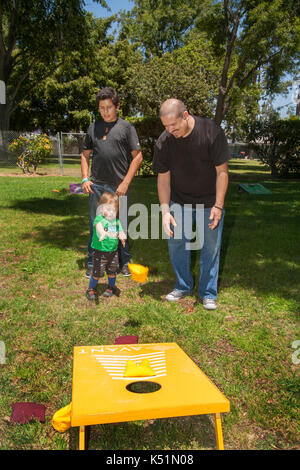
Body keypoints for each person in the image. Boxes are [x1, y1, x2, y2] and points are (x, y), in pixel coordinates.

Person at [152, 99, 230, 310]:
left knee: (210, 247)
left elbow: (222, 172)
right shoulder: (164, 141)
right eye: (165, 126)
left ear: (185, 115)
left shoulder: (211, 132)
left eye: (173, 125)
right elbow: (163, 179)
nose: (170, 131)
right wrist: (165, 210)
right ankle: (183, 285)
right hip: (179, 201)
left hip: (209, 202)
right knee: (176, 244)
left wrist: (219, 205)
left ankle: (207, 293)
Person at [81, 87, 143, 278]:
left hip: (119, 187)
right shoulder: (93, 128)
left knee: (120, 225)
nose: (105, 111)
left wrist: (125, 182)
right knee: (96, 224)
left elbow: (138, 157)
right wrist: (85, 179)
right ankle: (93, 262)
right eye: (101, 108)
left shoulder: (126, 128)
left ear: (117, 106)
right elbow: (84, 155)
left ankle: (124, 262)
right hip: (97, 186)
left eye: (109, 107)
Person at [86, 192, 127, 300]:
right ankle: (91, 289)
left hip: (113, 253)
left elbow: (121, 231)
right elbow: (98, 226)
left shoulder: (117, 222)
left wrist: (122, 236)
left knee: (112, 272)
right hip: (100, 252)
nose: (111, 213)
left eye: (114, 210)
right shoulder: (99, 219)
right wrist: (102, 232)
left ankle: (111, 287)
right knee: (97, 273)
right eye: (108, 209)